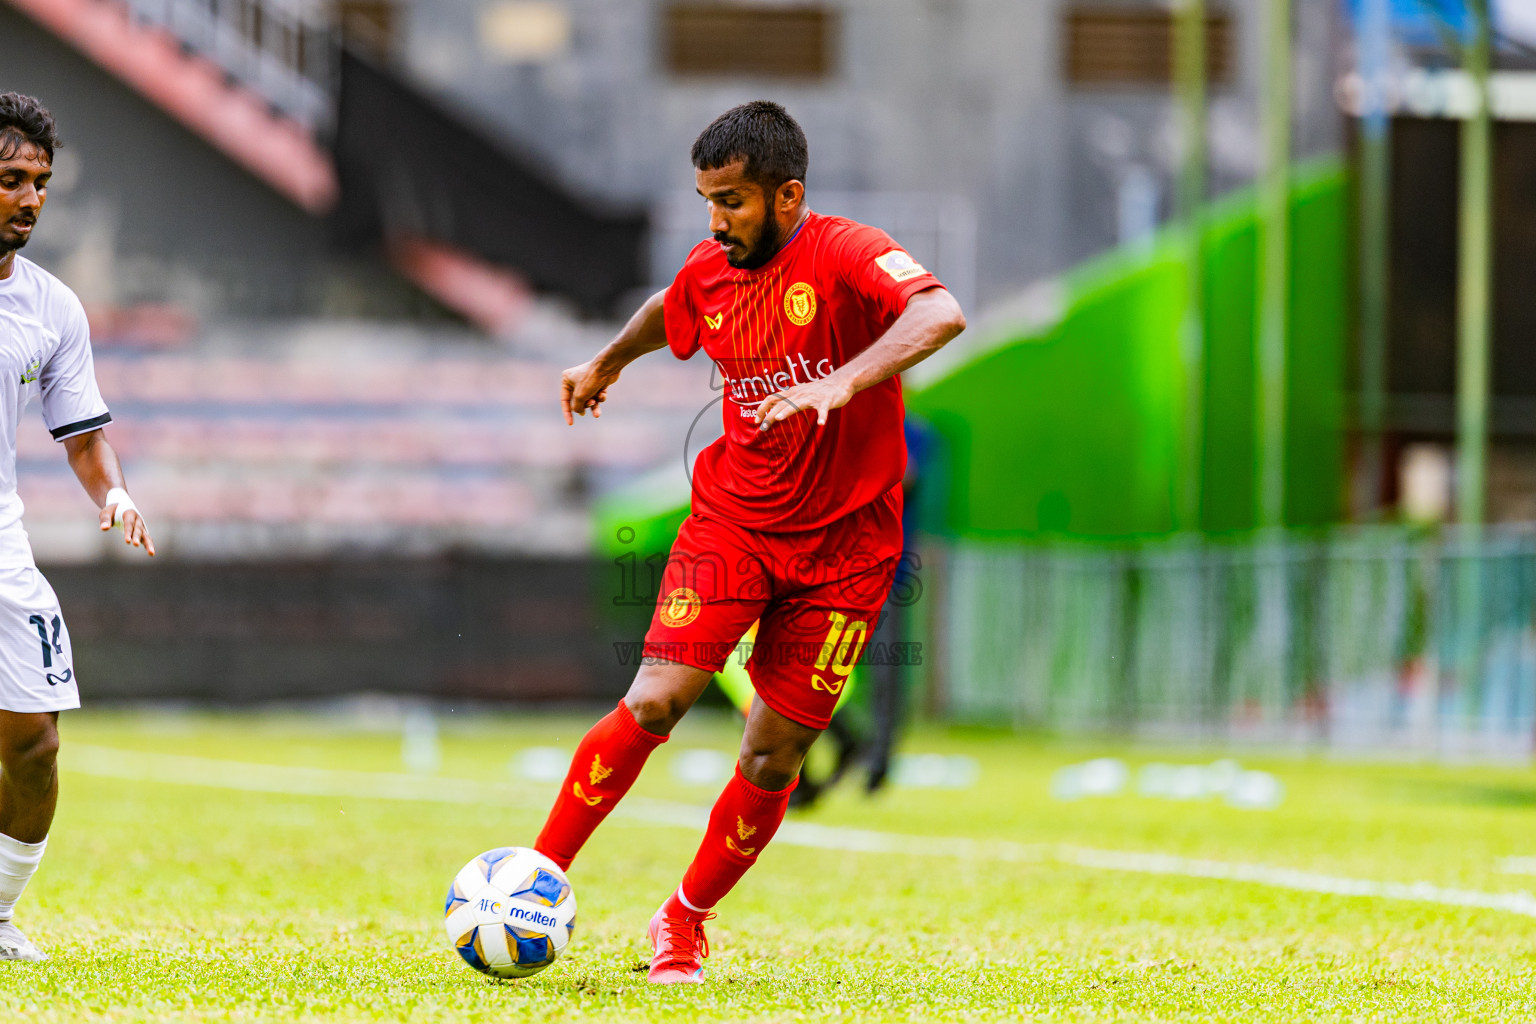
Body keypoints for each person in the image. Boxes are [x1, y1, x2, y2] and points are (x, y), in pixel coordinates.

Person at [539, 100, 965, 984]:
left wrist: (842, 382)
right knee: (656, 700)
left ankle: (683, 921)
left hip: (850, 547)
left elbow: (941, 313)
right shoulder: (713, 267)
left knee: (774, 753)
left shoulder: (847, 252)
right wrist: (609, 361)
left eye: (730, 201)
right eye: (706, 199)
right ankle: (536, 883)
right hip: (734, 522)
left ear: (787, 196)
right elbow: (672, 304)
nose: (715, 220)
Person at [0, 93, 155, 963]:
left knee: (35, 740)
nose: (30, 199)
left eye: (41, 183)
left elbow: (85, 437)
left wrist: (116, 493)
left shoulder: (52, 309)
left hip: (1, 539)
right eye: (11, 180)